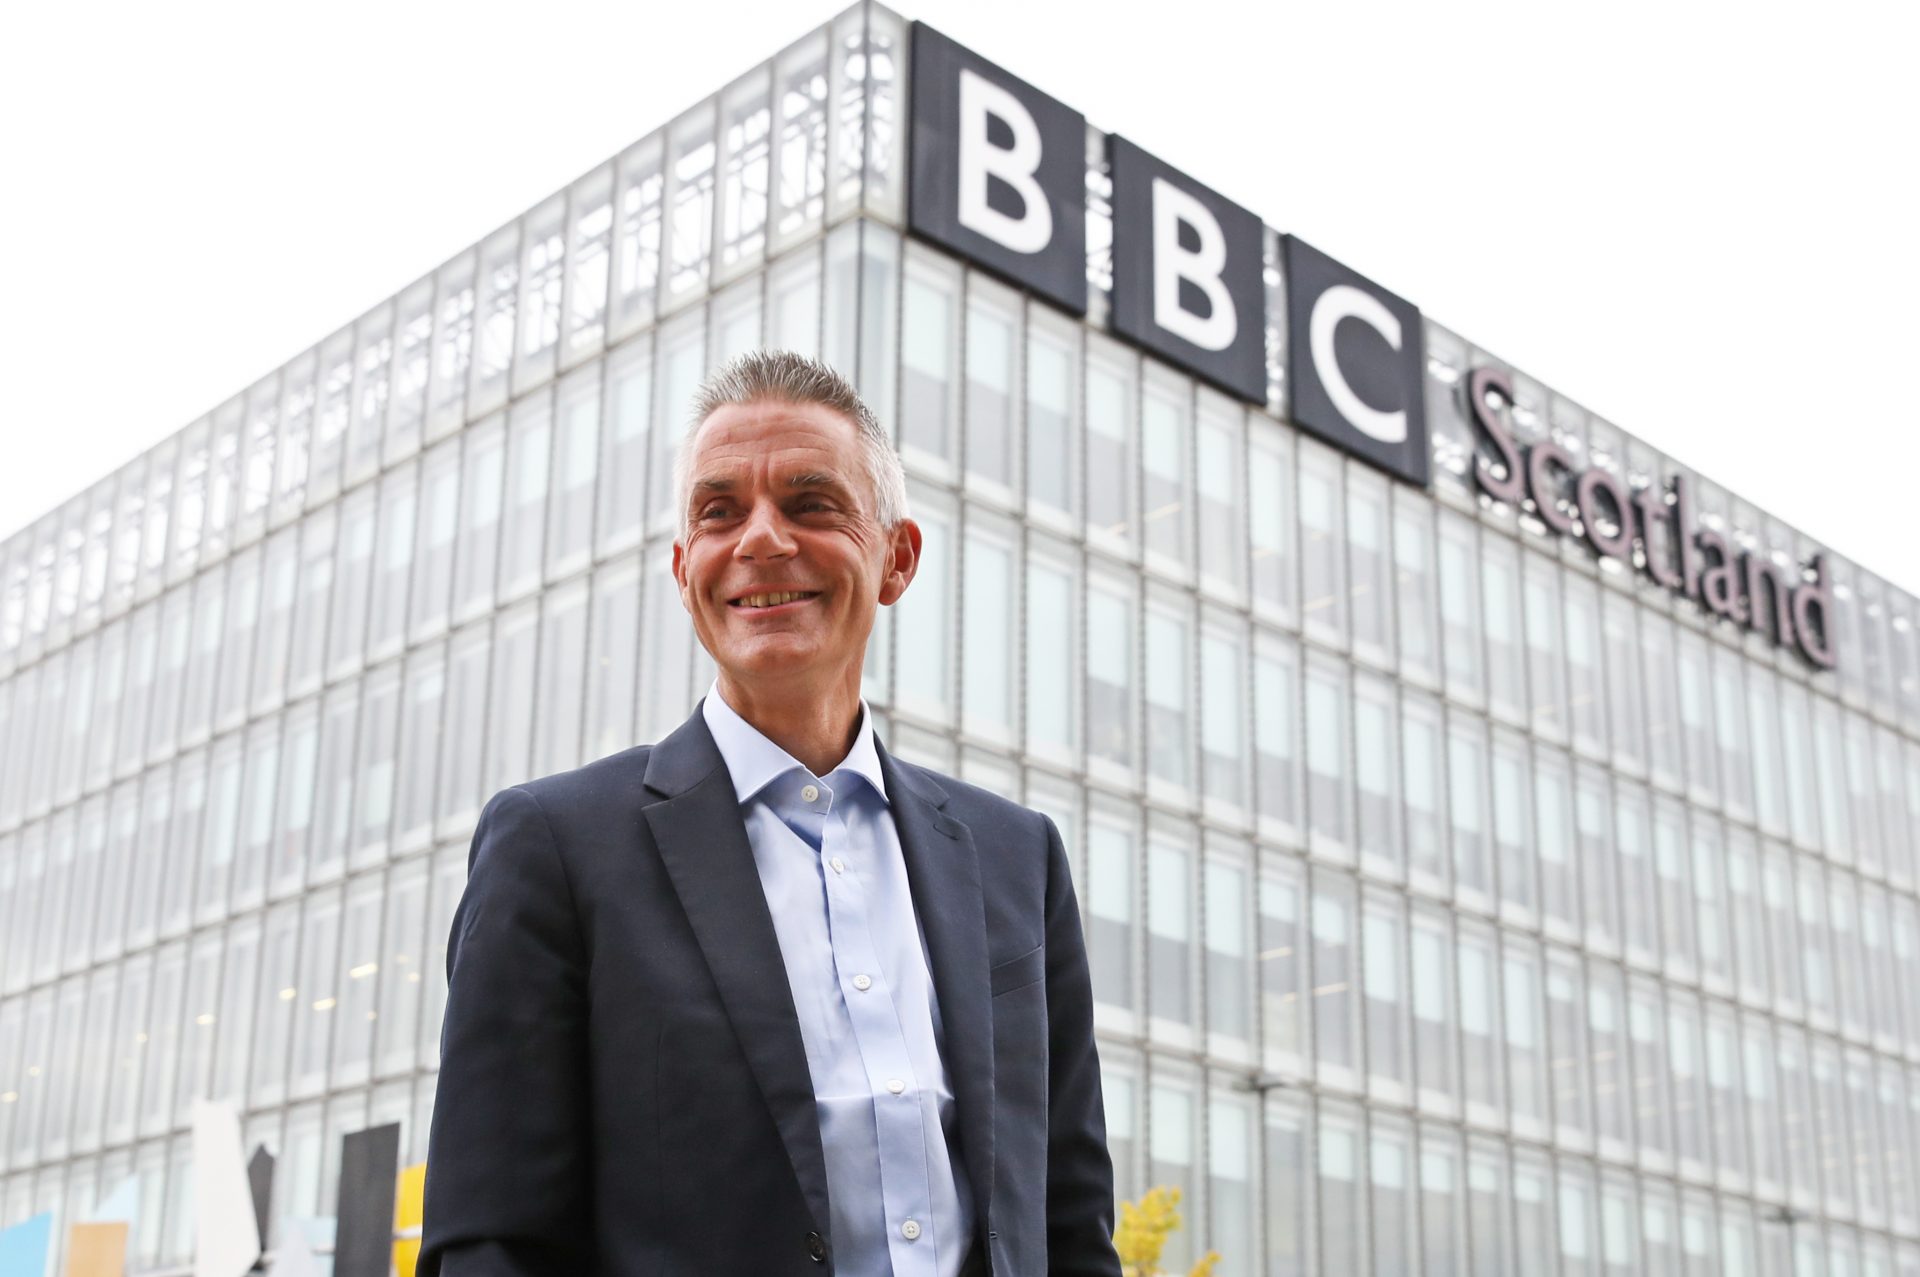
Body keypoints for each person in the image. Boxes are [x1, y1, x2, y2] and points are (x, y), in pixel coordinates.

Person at [419, 350, 1121, 1277]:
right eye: (719, 512)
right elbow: (491, 1244)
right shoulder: (553, 848)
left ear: (896, 558)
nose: (760, 539)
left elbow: (1070, 1229)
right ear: (685, 571)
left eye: (809, 502)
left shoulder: (1015, 857)